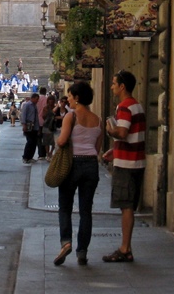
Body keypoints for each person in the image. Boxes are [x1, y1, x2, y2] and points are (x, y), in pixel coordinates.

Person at [53, 80, 103, 266]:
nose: (68, 100)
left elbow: (62, 141)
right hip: (91, 165)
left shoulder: (70, 116)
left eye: (71, 96)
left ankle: (66, 242)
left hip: (72, 164)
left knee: (65, 207)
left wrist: (60, 140)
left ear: (77, 97)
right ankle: (82, 251)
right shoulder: (97, 119)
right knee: (86, 211)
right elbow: (97, 148)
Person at [102, 70, 146, 263]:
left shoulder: (125, 107)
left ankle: (125, 248)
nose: (112, 87)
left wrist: (110, 131)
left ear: (122, 86)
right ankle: (126, 247)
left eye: (114, 83)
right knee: (129, 205)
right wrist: (114, 151)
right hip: (135, 160)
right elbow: (132, 136)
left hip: (127, 164)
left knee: (126, 206)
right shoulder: (137, 106)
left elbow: (122, 132)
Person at [20, 93, 40, 164]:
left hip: (34, 126)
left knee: (34, 142)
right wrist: (24, 124)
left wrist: (37, 127)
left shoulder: (34, 106)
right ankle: (25, 156)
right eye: (36, 99)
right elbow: (23, 115)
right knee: (30, 141)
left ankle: (30, 157)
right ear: (33, 98)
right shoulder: (27, 105)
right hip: (28, 126)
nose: (37, 101)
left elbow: (36, 117)